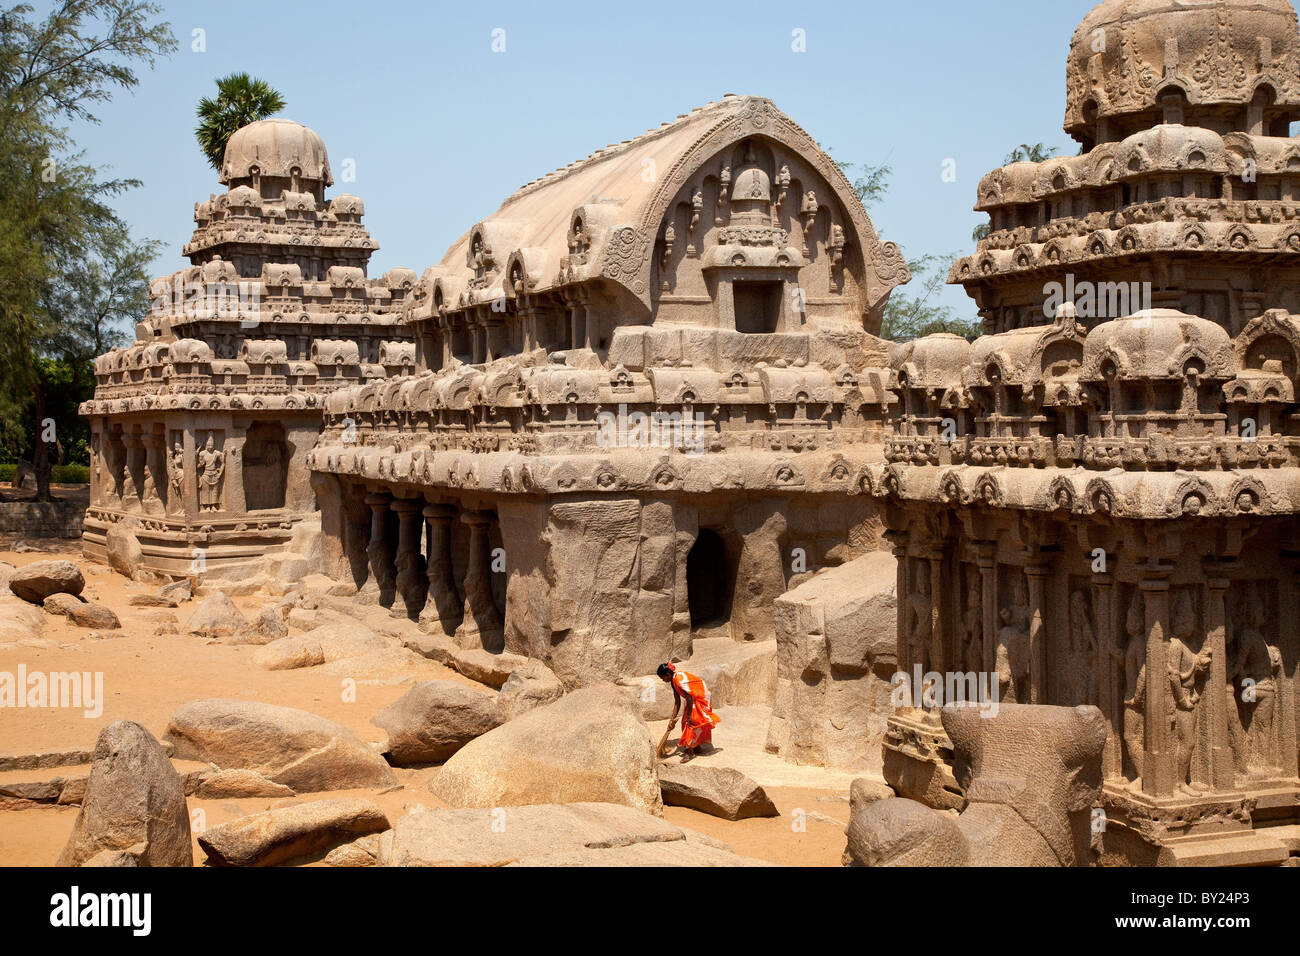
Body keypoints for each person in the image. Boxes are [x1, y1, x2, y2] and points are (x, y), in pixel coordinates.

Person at [657, 663, 720, 762]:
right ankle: (696, 746)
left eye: (663, 678)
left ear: (668, 674)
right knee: (685, 722)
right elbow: (677, 702)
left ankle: (690, 752)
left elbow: (689, 697)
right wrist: (672, 719)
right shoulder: (673, 682)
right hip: (693, 699)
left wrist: (689, 715)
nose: (663, 681)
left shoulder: (678, 680)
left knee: (690, 723)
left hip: (700, 698)